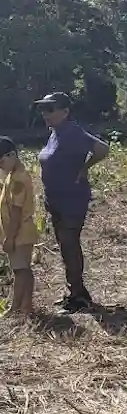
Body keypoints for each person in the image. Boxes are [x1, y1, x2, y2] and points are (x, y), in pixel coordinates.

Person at [34, 91, 109, 312]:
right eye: (43, 109)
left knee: (69, 244)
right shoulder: (55, 133)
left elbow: (102, 149)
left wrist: (84, 168)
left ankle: (78, 297)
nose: (45, 114)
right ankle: (75, 291)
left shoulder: (72, 132)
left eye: (50, 109)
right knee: (66, 246)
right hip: (56, 199)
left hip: (71, 200)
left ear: (65, 111)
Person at [0, 137, 38, 320]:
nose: (1, 166)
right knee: (23, 269)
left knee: (20, 270)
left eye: (1, 161)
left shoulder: (18, 180)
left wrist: (10, 238)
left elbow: (16, 213)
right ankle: (26, 306)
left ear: (12, 155)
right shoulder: (12, 175)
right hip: (21, 232)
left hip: (19, 233)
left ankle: (17, 307)